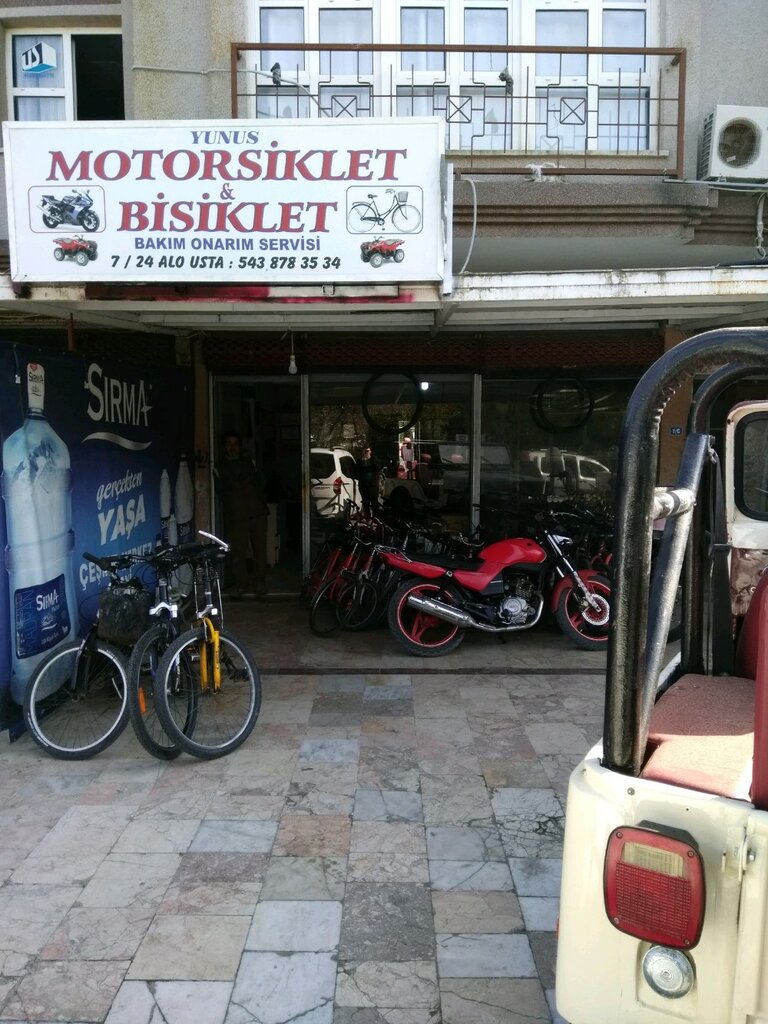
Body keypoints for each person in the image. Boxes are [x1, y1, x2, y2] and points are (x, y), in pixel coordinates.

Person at [214, 431, 268, 598]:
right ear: (224, 446)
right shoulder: (219, 467)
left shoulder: (248, 463)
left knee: (259, 548)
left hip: (257, 511)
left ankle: (259, 581)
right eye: (229, 444)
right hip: (237, 515)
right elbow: (220, 493)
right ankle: (241, 584)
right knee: (238, 550)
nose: (232, 448)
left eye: (235, 444)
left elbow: (260, 483)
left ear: (240, 446)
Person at [355, 445, 382, 518]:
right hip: (364, 485)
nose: (366, 453)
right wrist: (362, 460)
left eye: (368, 451)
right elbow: (356, 470)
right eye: (365, 451)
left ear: (370, 451)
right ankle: (367, 518)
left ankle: (376, 518)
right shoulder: (360, 460)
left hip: (373, 485)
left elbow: (378, 467)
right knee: (365, 503)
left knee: (374, 503)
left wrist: (370, 459)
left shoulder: (374, 459)